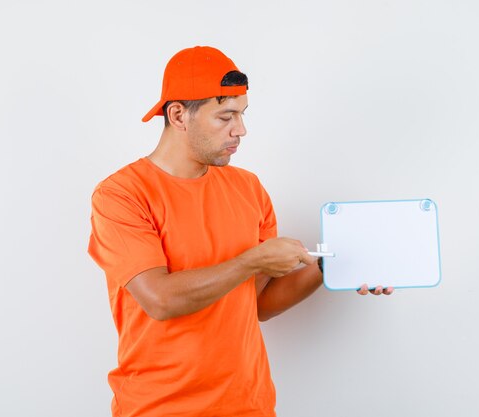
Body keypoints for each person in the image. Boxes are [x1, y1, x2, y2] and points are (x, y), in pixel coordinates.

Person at [88, 45, 392, 417]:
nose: (241, 129)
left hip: (249, 405)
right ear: (179, 115)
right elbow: (160, 300)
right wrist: (251, 261)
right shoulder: (121, 194)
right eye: (226, 116)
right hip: (160, 407)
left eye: (243, 114)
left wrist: (328, 268)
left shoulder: (248, 188)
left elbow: (259, 303)